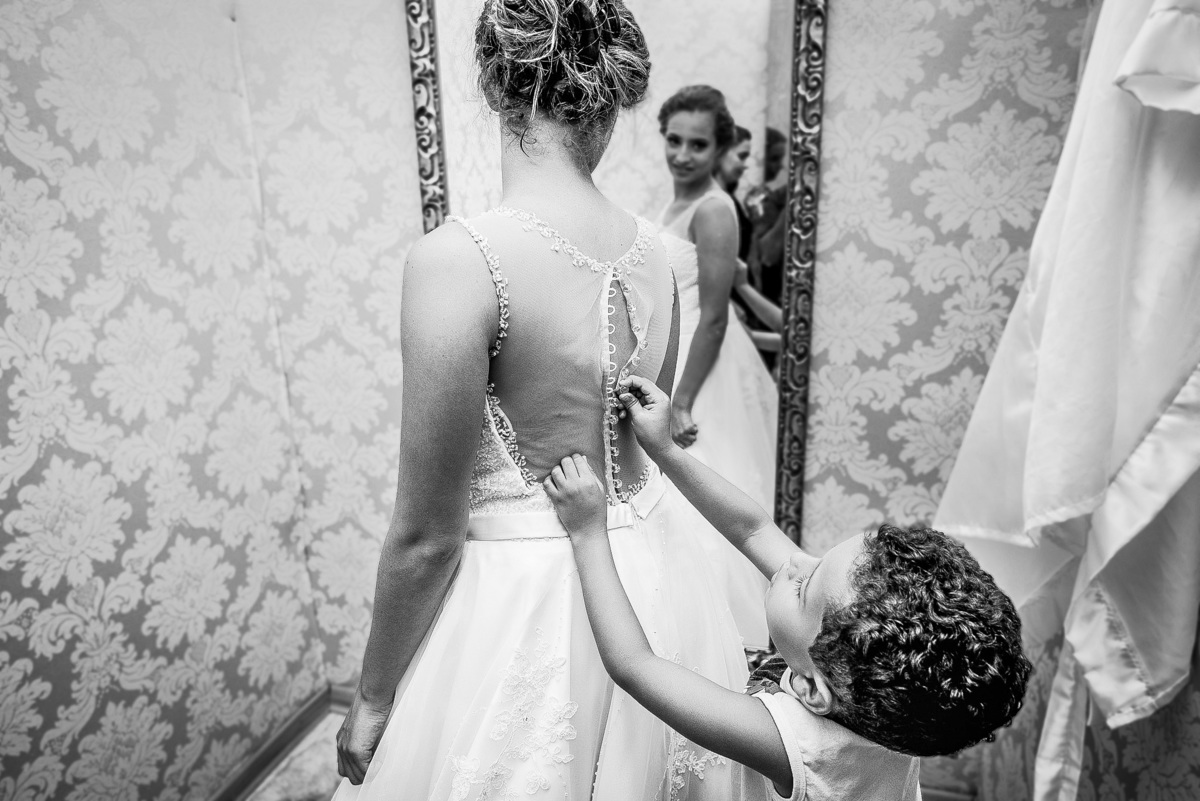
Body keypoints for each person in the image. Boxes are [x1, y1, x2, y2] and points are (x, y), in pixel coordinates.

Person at [332, 3, 763, 799]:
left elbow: (427, 536)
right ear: (614, 100)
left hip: (523, 608)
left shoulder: (456, 261)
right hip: (660, 586)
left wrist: (373, 695)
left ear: (499, 86)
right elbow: (641, 438)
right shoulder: (656, 256)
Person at [543, 375, 1034, 801]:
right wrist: (666, 451)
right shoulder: (889, 701)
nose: (795, 563)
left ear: (811, 689)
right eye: (815, 560)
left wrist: (589, 532)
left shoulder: (797, 745)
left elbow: (635, 666)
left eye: (804, 586)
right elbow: (754, 529)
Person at [656, 85, 778, 649]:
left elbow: (713, 317)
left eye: (697, 145)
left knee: (701, 495)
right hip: (674, 354)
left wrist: (682, 400)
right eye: (674, 140)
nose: (682, 154)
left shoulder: (714, 209)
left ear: (719, 148)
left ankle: (723, 642)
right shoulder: (676, 201)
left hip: (701, 368)